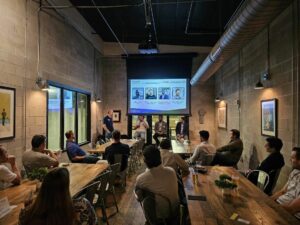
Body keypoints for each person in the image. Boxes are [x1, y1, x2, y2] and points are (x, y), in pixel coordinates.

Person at [19, 167, 97, 225]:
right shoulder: (82, 206)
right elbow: (94, 222)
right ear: (66, 188)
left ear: (43, 188)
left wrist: (28, 207)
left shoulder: (27, 213)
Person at [135, 145, 179, 219]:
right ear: (160, 158)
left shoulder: (141, 178)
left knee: (142, 193)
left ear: (145, 161)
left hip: (160, 216)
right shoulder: (171, 171)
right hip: (176, 211)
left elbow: (138, 198)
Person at [271, 147, 300, 219]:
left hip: (290, 215)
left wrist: (271, 207)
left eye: (292, 158)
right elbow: (282, 191)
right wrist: (268, 200)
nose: (290, 160)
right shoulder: (294, 172)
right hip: (279, 205)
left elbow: (291, 209)